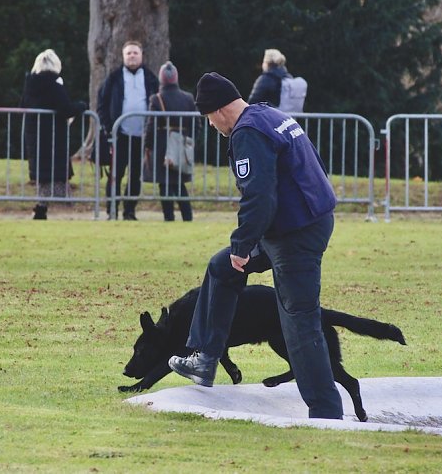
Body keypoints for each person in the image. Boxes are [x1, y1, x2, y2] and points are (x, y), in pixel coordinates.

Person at [168, 72, 343, 420]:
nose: (211, 125)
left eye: (208, 118)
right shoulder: (270, 115)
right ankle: (205, 358)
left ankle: (326, 412)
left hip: (296, 234)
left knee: (299, 320)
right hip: (294, 224)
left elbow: (259, 196)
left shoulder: (247, 132)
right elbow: (315, 163)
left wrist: (243, 244)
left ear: (218, 111)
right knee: (221, 268)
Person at [20, 49, 88, 220]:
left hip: (34, 133)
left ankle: (41, 206)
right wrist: (81, 106)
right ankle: (52, 204)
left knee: (42, 172)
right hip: (53, 134)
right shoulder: (54, 85)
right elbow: (66, 109)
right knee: (55, 169)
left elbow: (23, 105)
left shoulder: (30, 84)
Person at [96, 40, 159, 220]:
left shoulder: (150, 78)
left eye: (135, 53)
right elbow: (102, 105)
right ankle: (112, 210)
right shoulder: (113, 78)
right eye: (129, 53)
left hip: (142, 136)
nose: (132, 56)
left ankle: (130, 211)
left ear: (141, 56)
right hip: (119, 135)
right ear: (123, 56)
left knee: (135, 175)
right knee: (115, 174)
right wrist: (109, 129)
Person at [142, 61, 197, 221]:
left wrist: (148, 145)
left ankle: (169, 217)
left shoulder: (156, 99)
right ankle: (187, 216)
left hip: (161, 146)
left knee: (165, 183)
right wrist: (189, 142)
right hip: (182, 145)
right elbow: (196, 124)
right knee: (179, 183)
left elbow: (151, 125)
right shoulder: (188, 98)